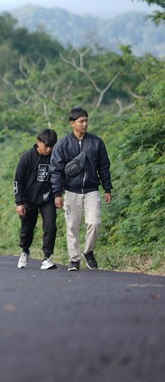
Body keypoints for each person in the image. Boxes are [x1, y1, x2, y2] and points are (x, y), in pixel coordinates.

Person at [50, 107, 112, 271]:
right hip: (71, 191)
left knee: (94, 222)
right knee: (72, 226)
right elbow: (56, 170)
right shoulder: (63, 144)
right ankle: (74, 259)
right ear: (72, 123)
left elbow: (104, 167)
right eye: (81, 121)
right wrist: (57, 193)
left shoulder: (96, 142)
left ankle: (88, 251)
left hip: (92, 189)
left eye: (86, 121)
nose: (85, 124)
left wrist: (107, 188)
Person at [14, 129, 58, 270]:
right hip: (28, 199)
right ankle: (25, 251)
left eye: (52, 146)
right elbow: (18, 181)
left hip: (47, 198)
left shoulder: (55, 157)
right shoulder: (26, 158)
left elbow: (59, 176)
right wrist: (19, 203)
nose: (49, 149)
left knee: (50, 226)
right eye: (46, 146)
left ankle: (47, 257)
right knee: (27, 228)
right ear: (38, 142)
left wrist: (58, 194)